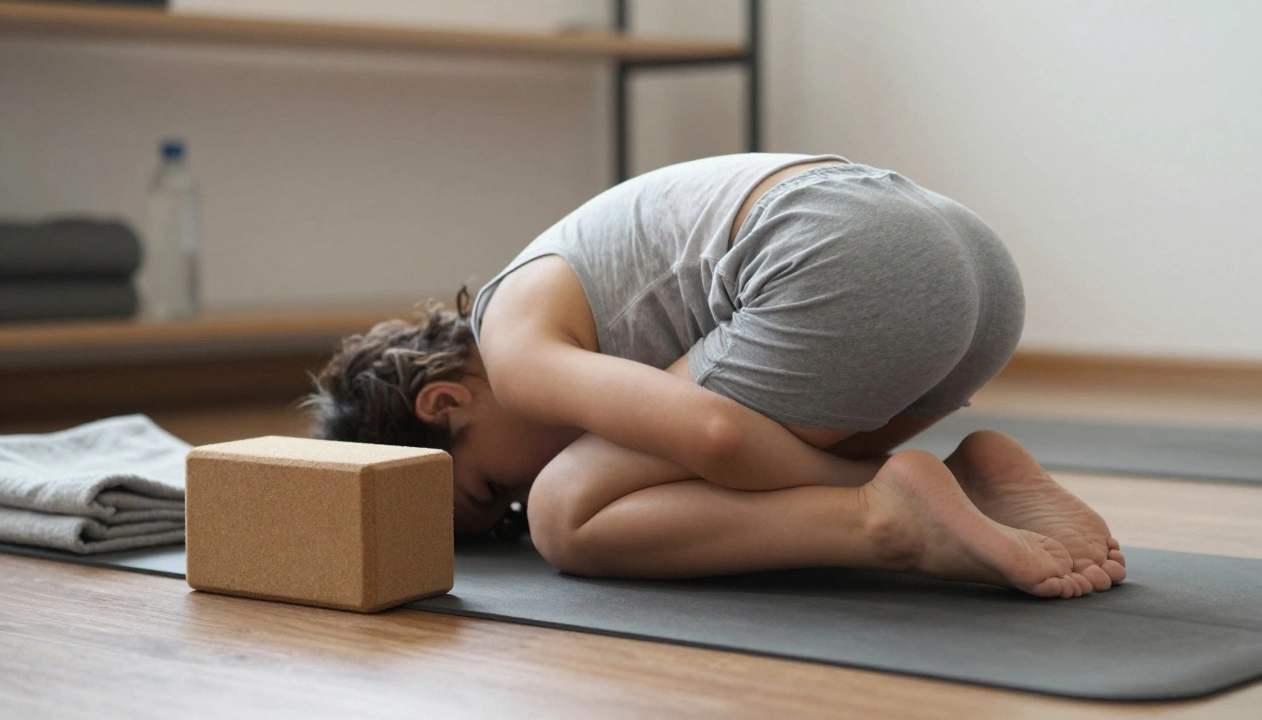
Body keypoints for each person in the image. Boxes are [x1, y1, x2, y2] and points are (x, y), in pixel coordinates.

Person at [304, 153, 1126, 598]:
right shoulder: (551, 291)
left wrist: (872, 480)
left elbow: (716, 432)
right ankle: (964, 487)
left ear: (447, 400)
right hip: (969, 263)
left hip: (844, 257)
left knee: (568, 512)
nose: (512, 497)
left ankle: (896, 519)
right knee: (692, 472)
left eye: (488, 490)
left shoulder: (514, 351)